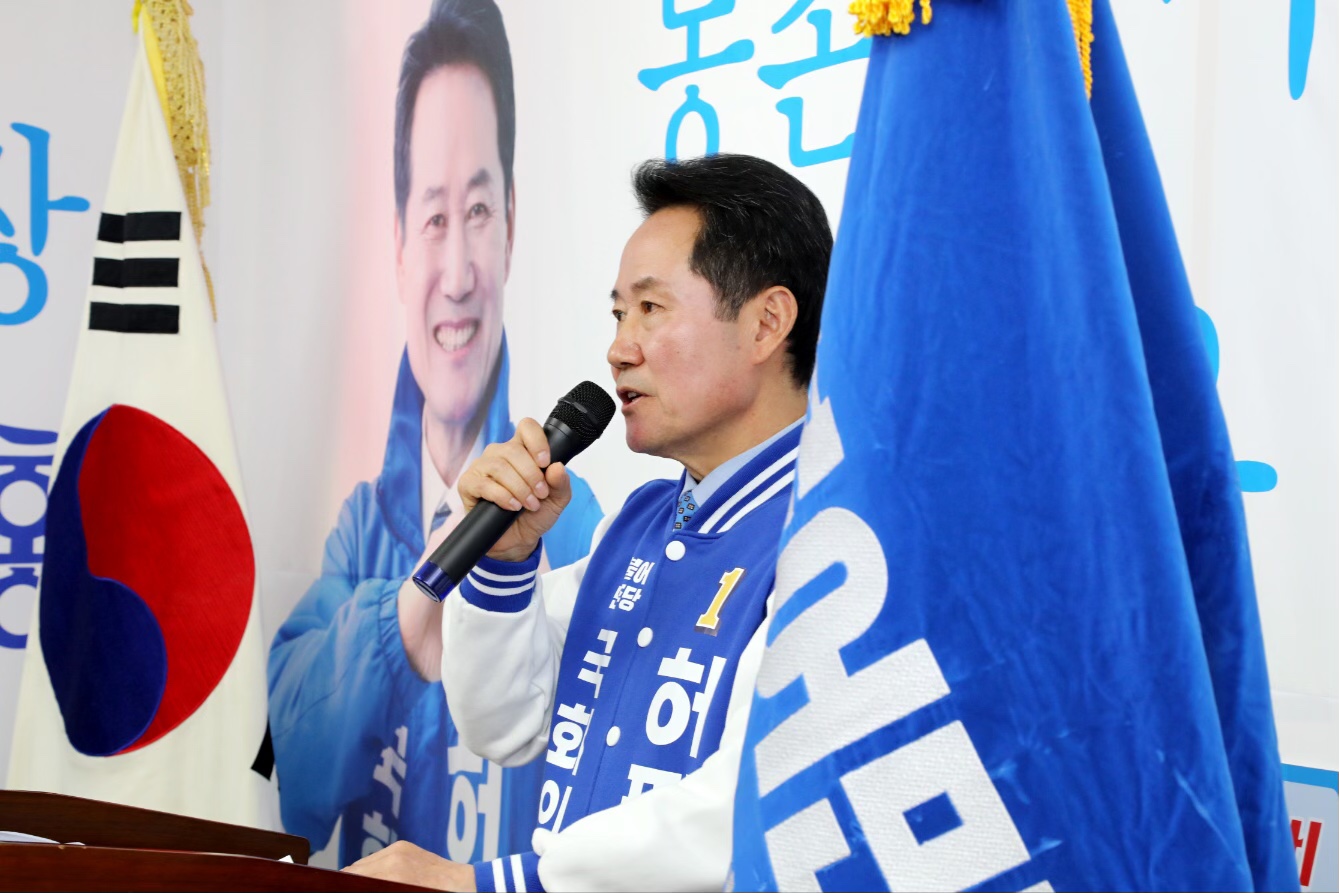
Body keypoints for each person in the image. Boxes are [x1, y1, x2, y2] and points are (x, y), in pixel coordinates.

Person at [345, 153, 833, 891]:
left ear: (767, 323)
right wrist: (504, 562)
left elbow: (742, 806)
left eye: (651, 309)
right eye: (617, 314)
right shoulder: (637, 527)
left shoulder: (825, 531)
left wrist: (488, 884)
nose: (618, 349)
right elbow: (502, 723)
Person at [266, 0, 603, 867]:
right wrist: (405, 616)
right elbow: (287, 767)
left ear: (513, 224)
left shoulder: (572, 520)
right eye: (433, 218)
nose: (456, 275)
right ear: (397, 245)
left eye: (479, 211)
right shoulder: (361, 525)